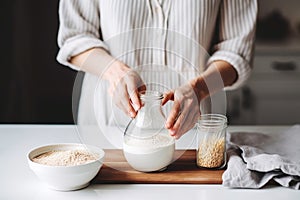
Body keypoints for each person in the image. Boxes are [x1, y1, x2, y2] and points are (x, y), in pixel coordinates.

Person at [57, 0, 257, 140]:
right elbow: (74, 37)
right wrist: (114, 71)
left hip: (191, 127)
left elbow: (236, 53)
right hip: (105, 121)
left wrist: (199, 89)